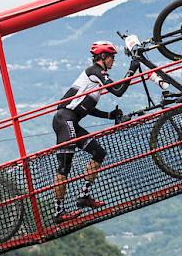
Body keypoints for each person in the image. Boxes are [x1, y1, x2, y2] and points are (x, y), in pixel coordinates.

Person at [52, 41, 140, 223]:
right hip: (64, 118)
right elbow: (118, 91)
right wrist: (132, 69)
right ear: (102, 57)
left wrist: (110, 115)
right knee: (65, 166)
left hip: (71, 119)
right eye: (112, 58)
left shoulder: (94, 79)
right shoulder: (95, 72)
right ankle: (59, 213)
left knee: (99, 152)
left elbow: (85, 107)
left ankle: (84, 196)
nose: (113, 62)